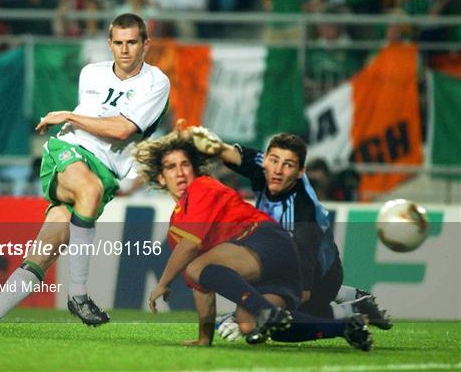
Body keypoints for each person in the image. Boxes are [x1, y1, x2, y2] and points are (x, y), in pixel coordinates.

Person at [0, 13, 170, 335]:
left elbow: (123, 129)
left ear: (146, 44)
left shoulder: (156, 82)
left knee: (43, 251)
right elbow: (92, 124)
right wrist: (73, 121)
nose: (125, 50)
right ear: (109, 44)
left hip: (107, 171)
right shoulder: (92, 73)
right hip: (68, 151)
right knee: (89, 191)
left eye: (132, 42)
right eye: (119, 43)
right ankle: (78, 294)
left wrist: (69, 114)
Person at [135, 131, 372, 350]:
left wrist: (163, 283)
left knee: (195, 267)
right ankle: (346, 327)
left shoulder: (202, 187)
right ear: (161, 178)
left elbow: (192, 249)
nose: (180, 172)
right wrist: (204, 338)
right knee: (252, 325)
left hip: (266, 240)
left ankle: (267, 311)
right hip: (274, 268)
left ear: (195, 169)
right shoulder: (176, 226)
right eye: (171, 167)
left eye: (185, 164)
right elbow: (201, 286)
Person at [183, 126, 391, 341]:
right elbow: (226, 151)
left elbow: (302, 291)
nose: (278, 170)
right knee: (254, 314)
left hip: (320, 275)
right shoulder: (266, 169)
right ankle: (353, 306)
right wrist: (203, 140)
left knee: (271, 324)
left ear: (300, 172)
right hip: (277, 258)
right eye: (273, 160)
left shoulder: (303, 215)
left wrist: (241, 315)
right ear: (265, 160)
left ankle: (348, 314)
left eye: (288, 165)